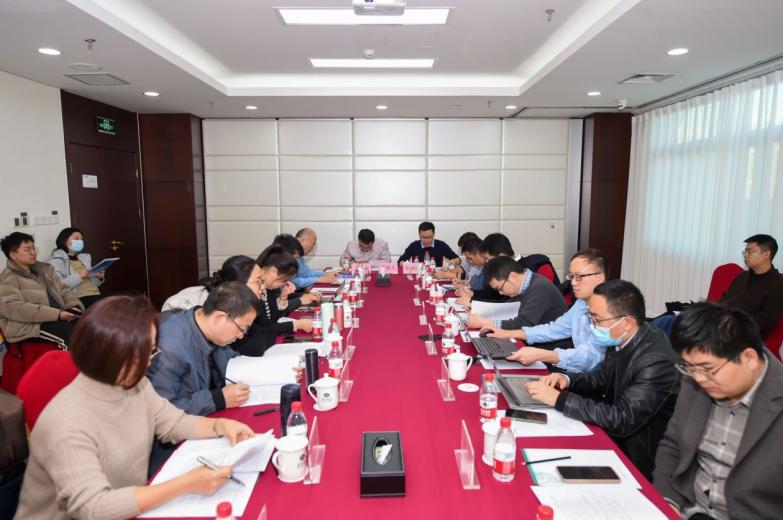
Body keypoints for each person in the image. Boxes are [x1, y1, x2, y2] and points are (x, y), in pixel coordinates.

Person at [14, 295, 255, 520]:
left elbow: (172, 423)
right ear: (110, 355)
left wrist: (220, 425)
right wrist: (187, 484)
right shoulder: (66, 423)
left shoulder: (134, 383)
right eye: (145, 353)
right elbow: (94, 507)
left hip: (132, 503)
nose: (151, 362)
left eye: (152, 350)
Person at [524, 280, 681, 480]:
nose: (592, 326)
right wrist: (567, 379)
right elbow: (603, 378)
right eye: (590, 317)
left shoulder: (655, 362)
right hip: (613, 432)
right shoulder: (622, 337)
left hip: (638, 456)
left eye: (597, 319)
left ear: (627, 322)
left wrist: (559, 399)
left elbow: (622, 418)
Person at [653, 303, 783, 520]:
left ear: (749, 358)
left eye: (708, 369)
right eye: (689, 367)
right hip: (690, 509)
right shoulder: (695, 381)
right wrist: (668, 501)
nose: (698, 378)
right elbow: (673, 446)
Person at [483, 249, 609, 373]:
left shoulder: (610, 310)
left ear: (599, 277)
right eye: (571, 276)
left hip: (592, 378)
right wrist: (508, 334)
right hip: (574, 370)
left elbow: (592, 357)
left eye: (579, 276)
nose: (573, 283)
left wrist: (542, 355)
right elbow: (554, 329)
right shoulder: (581, 304)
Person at [148, 282, 258, 416]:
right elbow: (163, 411)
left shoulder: (206, 327)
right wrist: (218, 399)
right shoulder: (170, 348)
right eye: (242, 329)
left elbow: (232, 360)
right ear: (219, 318)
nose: (241, 336)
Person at [232, 245, 316, 356]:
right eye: (258, 281)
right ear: (273, 271)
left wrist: (282, 300)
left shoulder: (268, 290)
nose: (261, 287)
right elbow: (261, 338)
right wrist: (294, 325)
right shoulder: (240, 302)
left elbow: (272, 320)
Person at [0, 232, 83, 344]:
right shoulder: (7, 278)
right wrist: (57, 315)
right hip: (29, 326)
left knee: (89, 326)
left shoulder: (45, 270)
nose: (33, 252)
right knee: (71, 335)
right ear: (13, 255)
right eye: (27, 250)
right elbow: (14, 308)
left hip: (58, 316)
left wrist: (74, 307)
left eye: (34, 248)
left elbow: (64, 290)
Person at [467, 256, 567, 330]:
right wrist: (478, 310)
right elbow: (506, 309)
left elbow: (523, 324)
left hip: (550, 347)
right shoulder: (523, 287)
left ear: (512, 277)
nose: (500, 293)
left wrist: (485, 323)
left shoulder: (540, 288)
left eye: (500, 288)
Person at [720, 234, 783, 337]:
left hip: (749, 336)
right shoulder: (741, 277)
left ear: (766, 254)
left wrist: (734, 324)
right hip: (724, 330)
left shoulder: (778, 283)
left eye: (750, 251)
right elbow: (723, 302)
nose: (745, 255)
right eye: (745, 251)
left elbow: (766, 320)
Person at [161, 255, 264, 312]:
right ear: (237, 284)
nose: (262, 288)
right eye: (257, 282)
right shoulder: (188, 307)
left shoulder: (242, 303)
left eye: (262, 282)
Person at [47, 227, 104, 308]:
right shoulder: (55, 261)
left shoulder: (84, 258)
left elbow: (92, 284)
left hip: (95, 294)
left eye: (81, 239)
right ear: (64, 241)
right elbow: (58, 287)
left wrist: (98, 278)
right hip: (78, 298)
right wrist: (78, 276)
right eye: (76, 239)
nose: (80, 241)